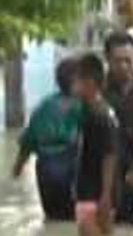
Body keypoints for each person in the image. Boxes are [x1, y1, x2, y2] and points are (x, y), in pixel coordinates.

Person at [12, 58, 82, 222]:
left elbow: (27, 143)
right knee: (74, 220)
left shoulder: (44, 106)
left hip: (45, 170)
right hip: (72, 169)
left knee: (52, 219)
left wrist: (17, 169)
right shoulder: (84, 106)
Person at [72, 53, 119, 236]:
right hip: (97, 192)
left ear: (89, 82)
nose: (73, 85)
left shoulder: (98, 115)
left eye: (76, 80)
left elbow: (110, 155)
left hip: (94, 193)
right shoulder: (98, 110)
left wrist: (105, 195)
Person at [103, 31, 133, 228]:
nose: (123, 66)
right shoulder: (97, 96)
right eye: (117, 60)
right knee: (119, 233)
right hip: (111, 179)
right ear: (107, 59)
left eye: (128, 60)